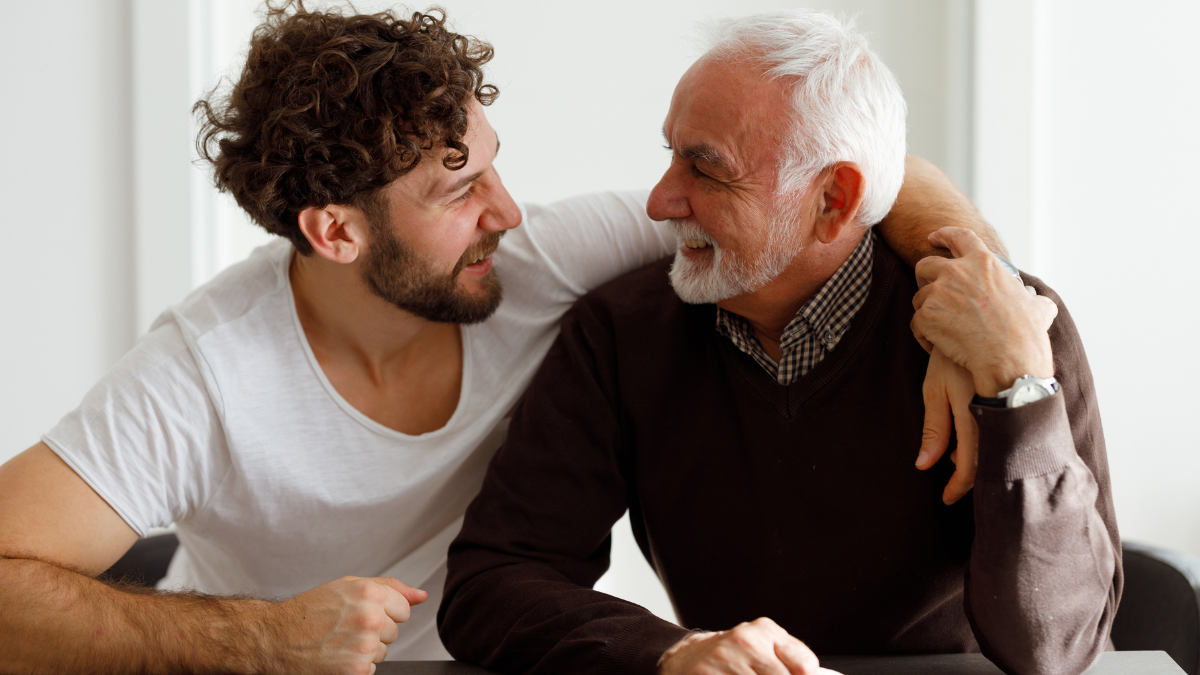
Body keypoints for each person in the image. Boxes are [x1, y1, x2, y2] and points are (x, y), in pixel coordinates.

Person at [0, 4, 1002, 674]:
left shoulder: (537, 261)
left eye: (492, 165)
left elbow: (856, 171)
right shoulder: (203, 373)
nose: (509, 211)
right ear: (335, 231)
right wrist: (259, 640)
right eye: (459, 188)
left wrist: (975, 302)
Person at [438, 10, 1120, 675]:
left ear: (833, 199)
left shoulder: (1009, 328)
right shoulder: (622, 332)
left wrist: (1019, 390)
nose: (659, 200)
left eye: (705, 170)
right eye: (670, 155)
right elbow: (492, 581)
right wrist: (670, 651)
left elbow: (1054, 649)